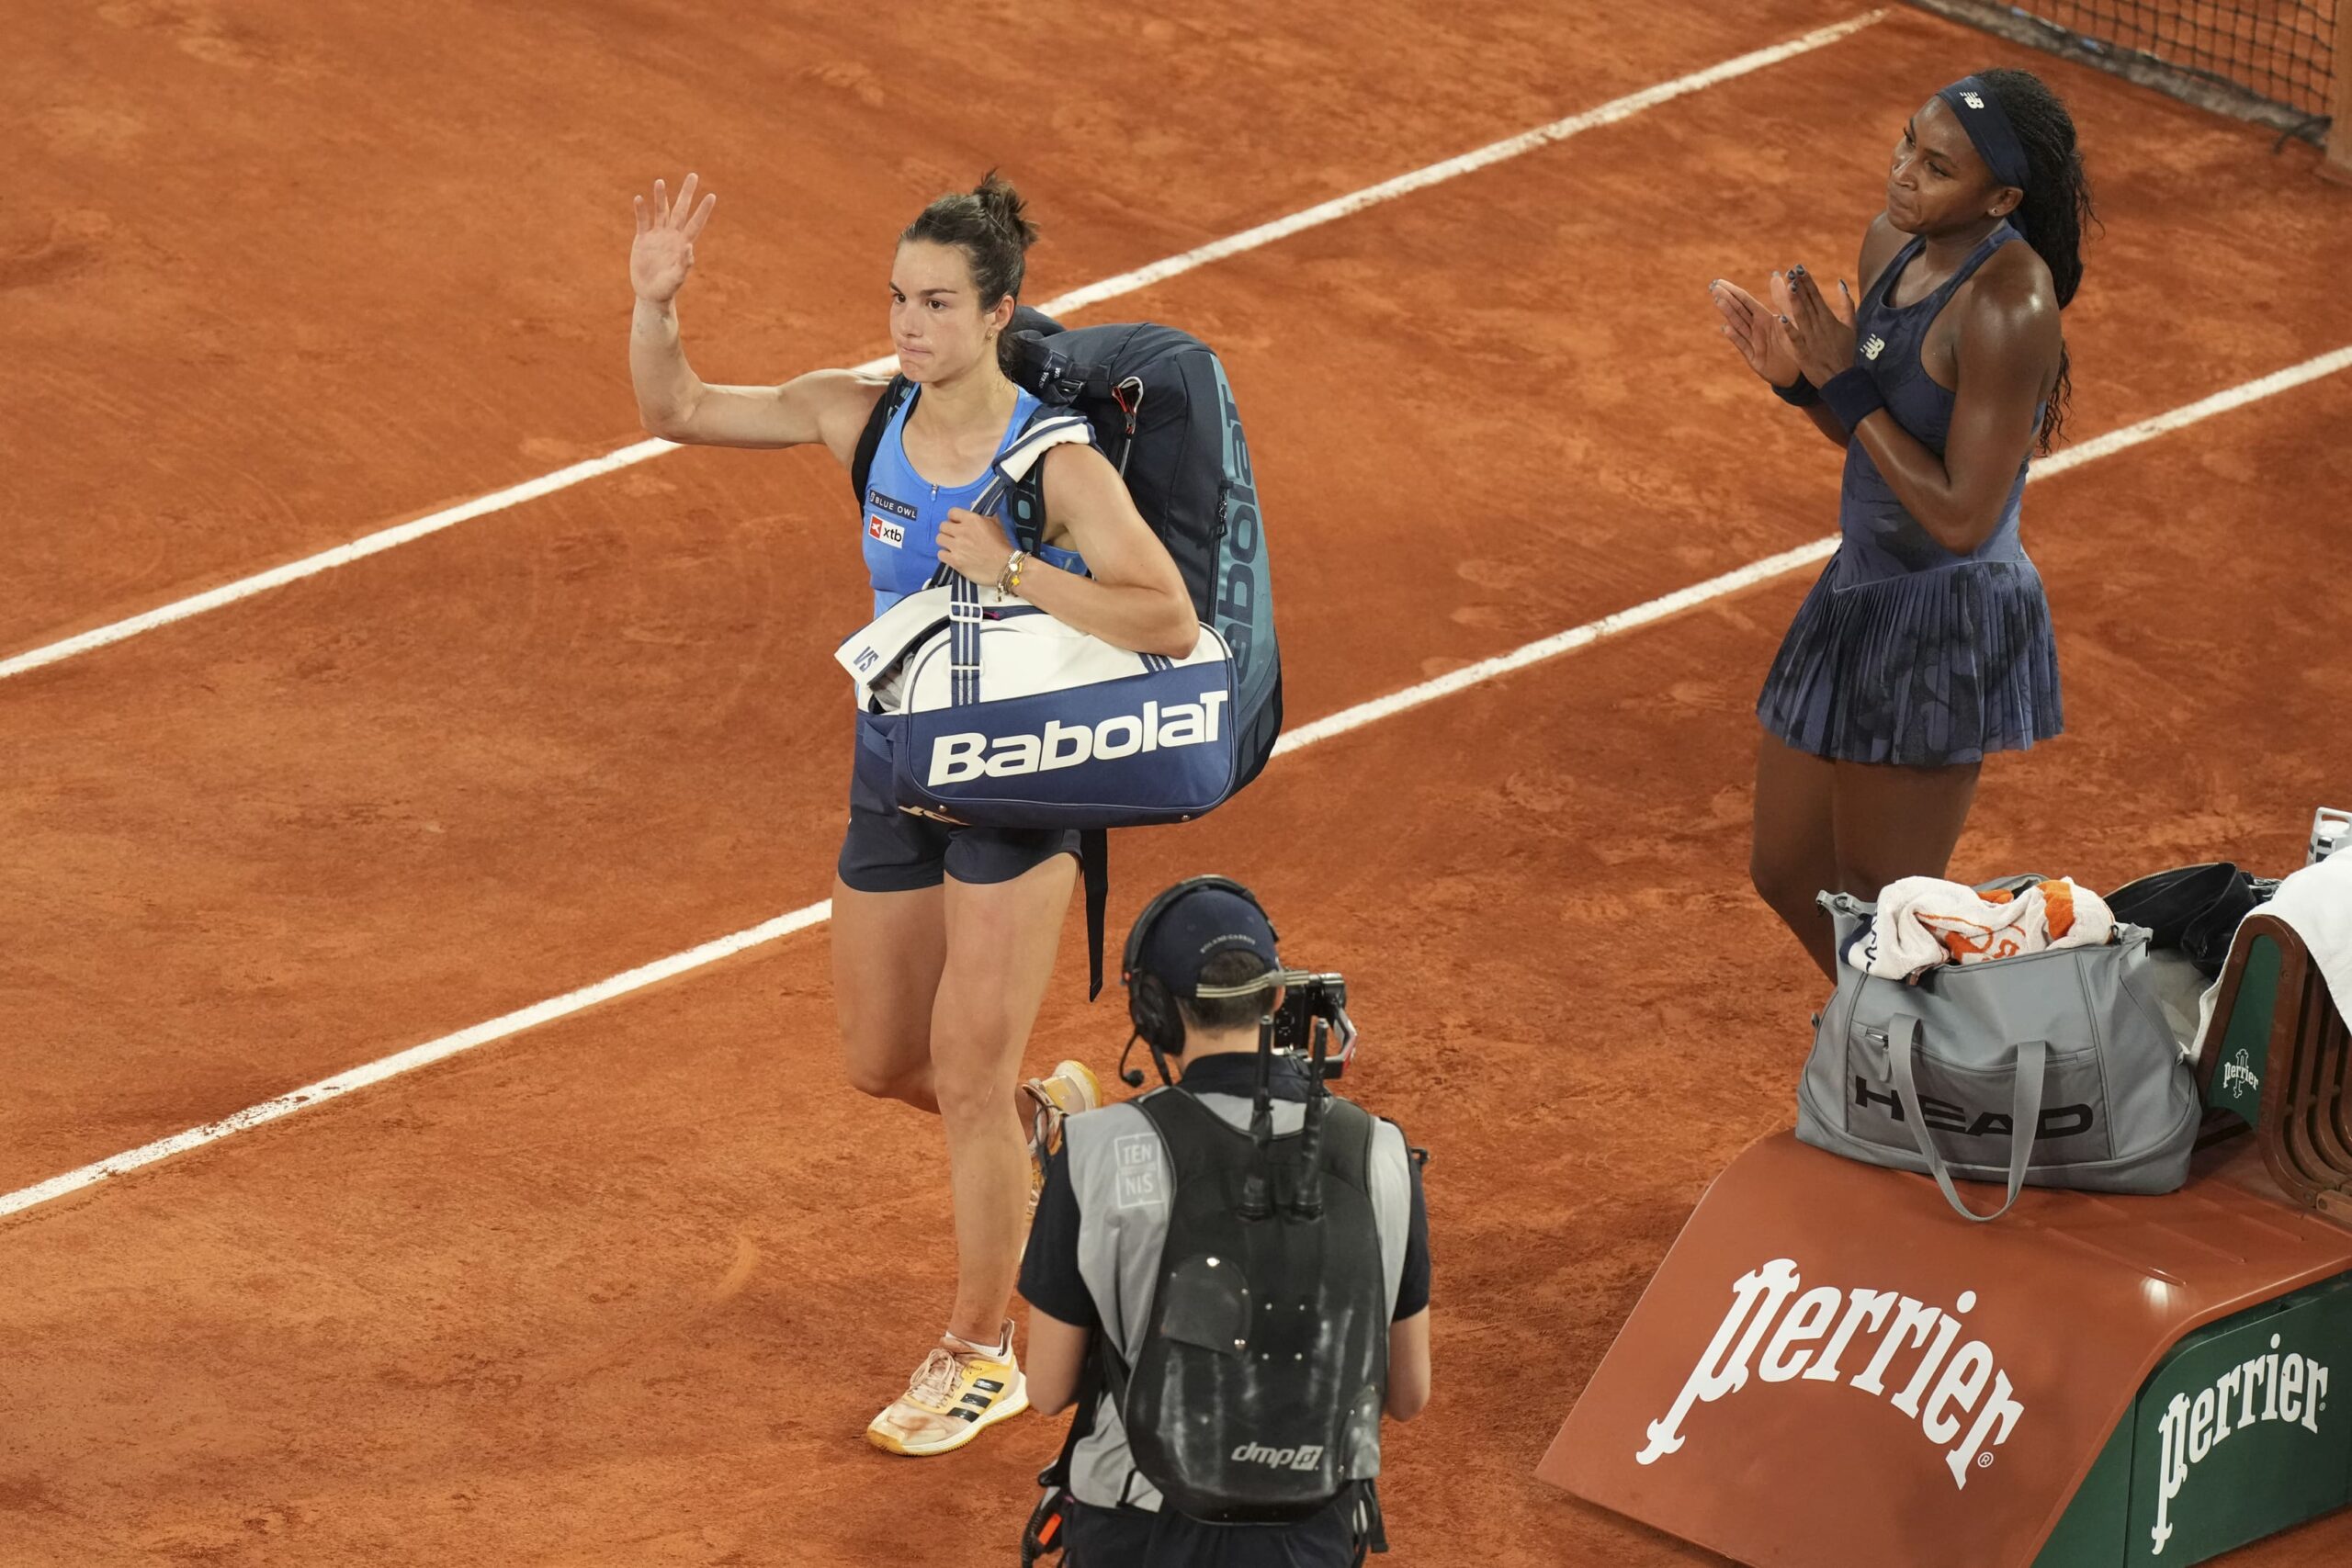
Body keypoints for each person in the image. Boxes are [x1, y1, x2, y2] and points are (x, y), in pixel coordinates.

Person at [627, 169, 1202, 1454]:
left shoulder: (1055, 464)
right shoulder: (861, 416)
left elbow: (1165, 618)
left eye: (938, 303)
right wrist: (656, 305)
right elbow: (677, 409)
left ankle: (980, 1349)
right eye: (898, 298)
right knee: (885, 1061)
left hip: (1020, 787)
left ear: (998, 314)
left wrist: (1018, 569)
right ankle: (1059, 1130)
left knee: (969, 1071)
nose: (908, 324)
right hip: (896, 768)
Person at [1710, 70, 2094, 979]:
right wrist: (1800, 383)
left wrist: (1844, 380)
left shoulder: (2009, 305)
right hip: (1858, 590)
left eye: (1937, 167)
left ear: (2001, 200)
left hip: (1947, 623)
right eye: (1907, 142)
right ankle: (1882, 1029)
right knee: (1787, 868)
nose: (1903, 171)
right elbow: (1873, 434)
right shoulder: (1890, 242)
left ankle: (1910, 1046)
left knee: (1885, 901)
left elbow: (1962, 516)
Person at [1019, 879, 1431, 1566]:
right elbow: (1409, 1395)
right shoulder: (1382, 1152)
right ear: (1277, 999)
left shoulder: (1094, 1152)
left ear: (1154, 1011)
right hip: (1310, 1535)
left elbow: (1048, 1389)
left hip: (1136, 1532)